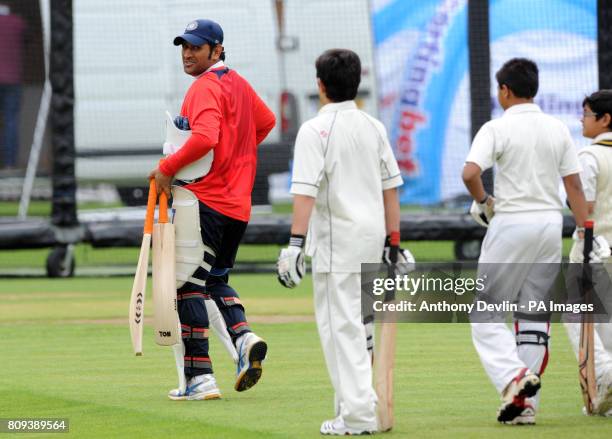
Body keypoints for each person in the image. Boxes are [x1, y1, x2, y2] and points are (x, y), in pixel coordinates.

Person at [276, 49, 406, 435]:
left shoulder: (315, 131)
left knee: (342, 329)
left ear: (320, 85)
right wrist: (393, 242)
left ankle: (358, 416)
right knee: (356, 326)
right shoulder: (373, 126)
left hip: (339, 243)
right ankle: (354, 408)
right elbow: (391, 190)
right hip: (372, 238)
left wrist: (295, 244)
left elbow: (305, 193)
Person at [149, 18, 276, 400]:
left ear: (216, 50)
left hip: (205, 202)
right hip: (238, 206)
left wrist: (166, 169)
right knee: (215, 280)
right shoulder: (237, 83)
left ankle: (199, 377)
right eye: (184, 47)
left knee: (187, 285)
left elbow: (204, 137)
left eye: (196, 47)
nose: (187, 54)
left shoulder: (205, 87)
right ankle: (243, 336)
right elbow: (266, 122)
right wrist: (236, 160)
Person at [462, 58, 591, 425]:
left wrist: (485, 200)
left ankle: (514, 378)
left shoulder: (496, 127)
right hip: (551, 224)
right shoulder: (557, 128)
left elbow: (470, 172)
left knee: (485, 311)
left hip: (512, 222)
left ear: (505, 90)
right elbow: (574, 187)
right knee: (533, 314)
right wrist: (586, 231)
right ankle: (524, 408)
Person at [563, 89, 612, 416]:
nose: (582, 119)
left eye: (587, 113)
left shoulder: (590, 156)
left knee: (576, 317)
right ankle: (605, 397)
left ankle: (605, 376)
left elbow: (586, 206)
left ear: (605, 119)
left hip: (593, 250)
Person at [0, 3, 26, 169]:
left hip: (11, 82)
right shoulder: (18, 23)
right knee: (11, 122)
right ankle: (9, 164)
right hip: (13, 80)